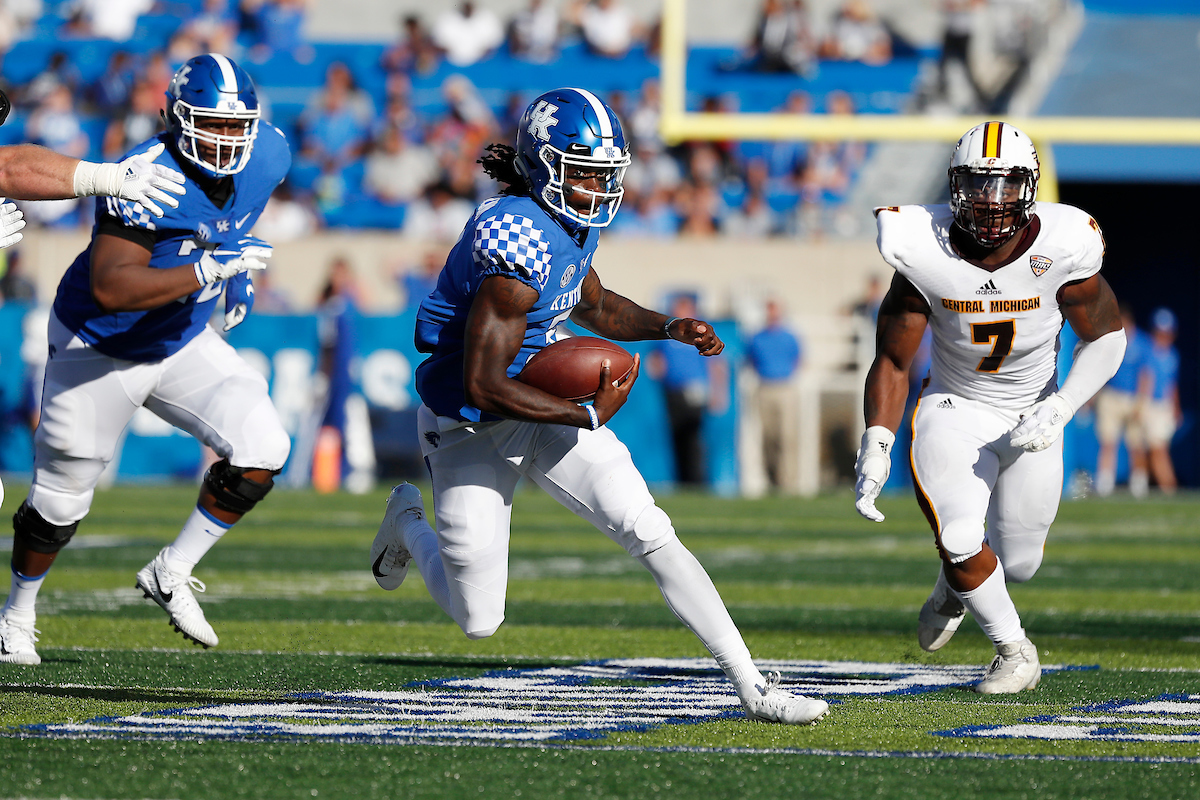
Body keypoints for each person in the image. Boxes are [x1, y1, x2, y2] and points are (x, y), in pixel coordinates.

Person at [370, 87, 827, 726]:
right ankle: (407, 523)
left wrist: (670, 327)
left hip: (536, 399)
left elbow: (596, 305)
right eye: (581, 172)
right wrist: (579, 416)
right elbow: (483, 384)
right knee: (479, 619)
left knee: (648, 527)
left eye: (603, 173)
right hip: (471, 421)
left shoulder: (564, 221)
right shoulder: (513, 239)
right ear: (541, 166)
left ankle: (752, 685)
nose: (595, 187)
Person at [0, 53, 293, 666]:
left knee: (265, 447)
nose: (225, 140)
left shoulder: (269, 153)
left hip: (181, 339)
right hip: (100, 345)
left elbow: (234, 220)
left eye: (236, 127)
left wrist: (233, 269)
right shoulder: (145, 175)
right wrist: (208, 270)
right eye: (210, 124)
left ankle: (172, 569)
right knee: (59, 503)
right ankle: (17, 613)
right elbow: (113, 286)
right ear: (174, 118)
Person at [854, 121, 1125, 693]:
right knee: (958, 534)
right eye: (978, 185)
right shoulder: (919, 245)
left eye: (1005, 185)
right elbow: (895, 361)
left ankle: (955, 586)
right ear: (954, 186)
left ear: (1030, 187)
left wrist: (1064, 406)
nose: (992, 201)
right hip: (955, 404)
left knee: (1019, 564)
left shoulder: (1063, 243)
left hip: (1034, 410)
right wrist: (876, 443)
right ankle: (1014, 651)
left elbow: (1106, 337)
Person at [648, 292, 728, 486]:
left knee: (694, 437)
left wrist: (718, 393)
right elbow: (656, 361)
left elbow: (717, 365)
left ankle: (697, 481)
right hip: (673, 391)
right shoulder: (668, 336)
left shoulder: (701, 333)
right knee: (677, 437)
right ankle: (683, 481)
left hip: (695, 391)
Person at [1092, 303, 1150, 498]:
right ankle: (1104, 484)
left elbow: (1146, 375)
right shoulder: (1111, 341)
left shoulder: (1142, 343)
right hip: (1111, 397)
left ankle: (1139, 484)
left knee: (1136, 443)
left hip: (1133, 398)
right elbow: (1100, 369)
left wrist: (1142, 401)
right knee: (1108, 441)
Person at [746, 298, 802, 493]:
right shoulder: (757, 337)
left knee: (787, 436)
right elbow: (750, 360)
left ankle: (788, 482)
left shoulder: (790, 337)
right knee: (768, 437)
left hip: (785, 387)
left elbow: (798, 359)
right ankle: (771, 479)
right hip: (764, 387)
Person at [1137, 307, 1181, 496]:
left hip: (1163, 407)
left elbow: (1172, 384)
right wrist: (1141, 403)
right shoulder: (1148, 351)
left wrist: (1176, 408)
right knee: (1150, 449)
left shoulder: (1173, 355)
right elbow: (1145, 378)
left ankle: (1168, 488)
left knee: (1159, 450)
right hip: (1150, 404)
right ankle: (1158, 487)